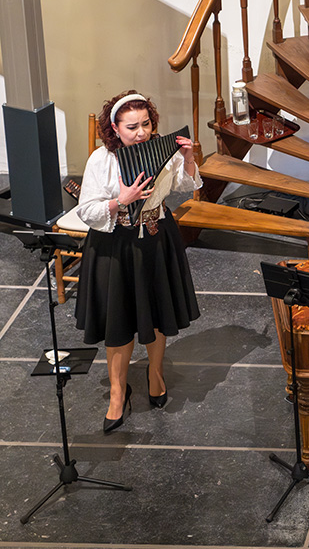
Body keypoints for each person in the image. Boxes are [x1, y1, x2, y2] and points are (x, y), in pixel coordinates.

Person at [75, 90, 202, 432]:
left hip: (157, 239)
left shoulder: (162, 150)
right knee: (118, 320)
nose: (141, 133)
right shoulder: (102, 160)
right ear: (115, 128)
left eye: (146, 124)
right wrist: (121, 200)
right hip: (114, 244)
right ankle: (118, 392)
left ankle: (155, 372)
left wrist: (188, 158)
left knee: (158, 312)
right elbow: (86, 210)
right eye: (132, 127)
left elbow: (184, 185)